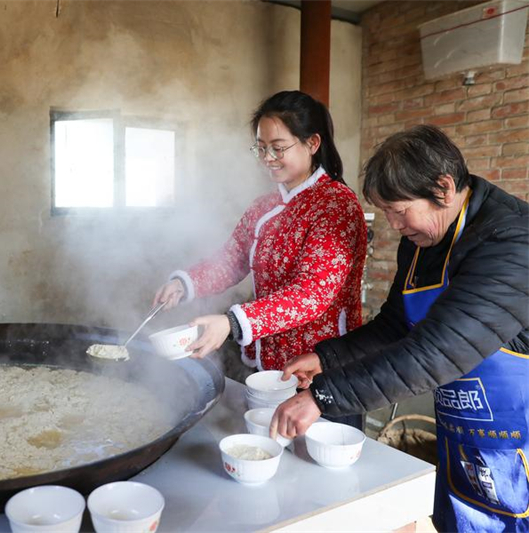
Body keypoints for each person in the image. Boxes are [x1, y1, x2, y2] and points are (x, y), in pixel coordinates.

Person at [271, 124, 529, 532]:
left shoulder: (513, 243)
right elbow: (396, 324)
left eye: (398, 209)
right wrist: (326, 356)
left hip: (519, 441)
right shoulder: (424, 237)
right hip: (461, 429)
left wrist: (324, 396)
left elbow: (437, 352)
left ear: (443, 188)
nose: (393, 225)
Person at [153, 90, 367, 391]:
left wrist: (233, 322)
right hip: (268, 358)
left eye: (278, 149)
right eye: (261, 148)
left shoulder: (336, 205)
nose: (267, 159)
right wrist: (185, 283)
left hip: (320, 364)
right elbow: (231, 260)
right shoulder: (263, 206)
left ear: (312, 143)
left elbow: (312, 294)